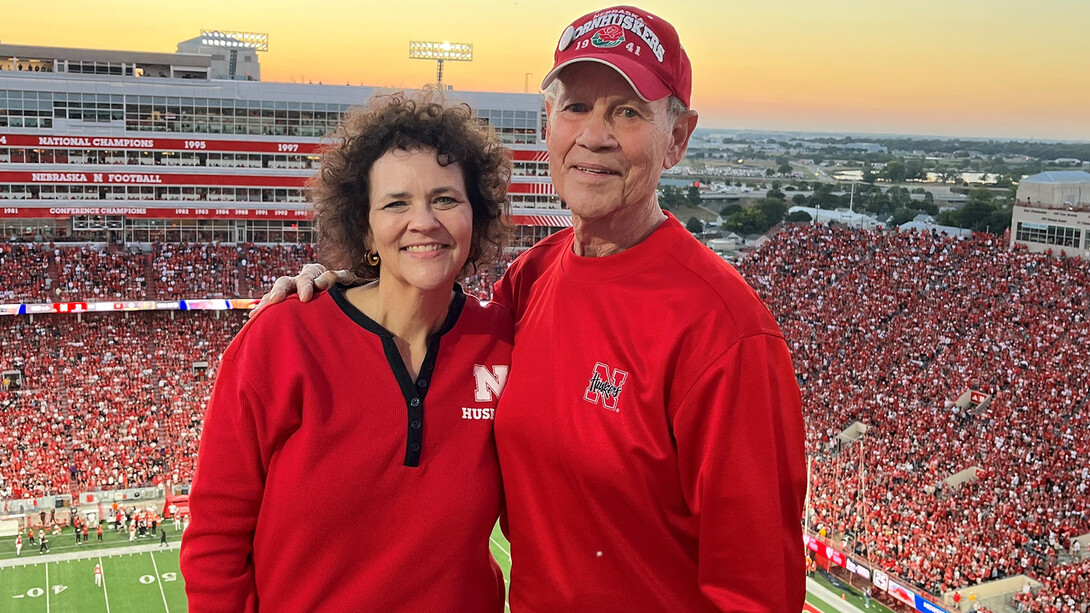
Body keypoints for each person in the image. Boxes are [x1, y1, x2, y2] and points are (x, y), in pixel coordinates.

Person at [255, 6, 806, 610]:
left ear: (677, 137)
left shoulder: (726, 333)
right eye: (575, 106)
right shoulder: (532, 278)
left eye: (626, 111)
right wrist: (357, 285)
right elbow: (438, 329)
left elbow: (758, 592)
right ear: (548, 123)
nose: (593, 135)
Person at [181, 91, 513, 612]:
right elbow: (215, 540)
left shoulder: (504, 345)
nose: (424, 221)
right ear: (364, 225)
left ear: (478, 216)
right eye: (396, 202)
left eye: (446, 199)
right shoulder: (282, 338)